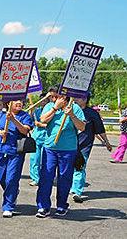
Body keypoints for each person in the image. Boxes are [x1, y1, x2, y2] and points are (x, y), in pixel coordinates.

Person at [36, 86, 86, 218]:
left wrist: (72, 115)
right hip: (50, 148)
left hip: (68, 150)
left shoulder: (74, 108)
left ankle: (62, 206)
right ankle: (43, 207)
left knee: (64, 179)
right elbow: (43, 120)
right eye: (52, 97)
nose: (53, 99)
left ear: (64, 96)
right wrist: (55, 108)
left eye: (56, 96)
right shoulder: (50, 107)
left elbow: (82, 127)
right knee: (46, 177)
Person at [0, 100, 33, 218]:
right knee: (1, 177)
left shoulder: (24, 116)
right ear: (8, 103)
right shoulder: (1, 114)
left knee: (11, 179)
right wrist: (0, 132)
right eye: (15, 101)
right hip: (2, 150)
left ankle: (8, 206)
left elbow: (25, 130)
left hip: (16, 152)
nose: (19, 103)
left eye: (21, 101)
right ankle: (13, 192)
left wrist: (13, 119)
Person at [70, 94, 112, 202]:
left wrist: (106, 142)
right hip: (69, 144)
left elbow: (99, 129)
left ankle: (77, 191)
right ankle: (70, 187)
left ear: (85, 100)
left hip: (84, 145)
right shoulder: (69, 111)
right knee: (68, 168)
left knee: (80, 167)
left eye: (77, 98)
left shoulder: (92, 113)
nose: (74, 99)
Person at [29, 93, 50, 186]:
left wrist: (41, 125)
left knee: (45, 159)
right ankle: (35, 178)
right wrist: (31, 109)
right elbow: (30, 119)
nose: (43, 103)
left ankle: (45, 177)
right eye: (41, 101)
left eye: (45, 101)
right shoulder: (36, 111)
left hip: (46, 137)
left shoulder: (51, 111)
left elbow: (53, 126)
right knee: (34, 158)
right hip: (36, 137)